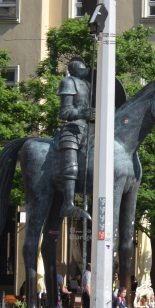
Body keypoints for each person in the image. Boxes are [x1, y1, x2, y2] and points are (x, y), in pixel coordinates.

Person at [55, 58, 93, 209]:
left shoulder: (88, 85)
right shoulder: (69, 82)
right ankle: (68, 203)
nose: (85, 70)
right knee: (70, 160)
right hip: (74, 126)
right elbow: (64, 112)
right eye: (81, 68)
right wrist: (83, 112)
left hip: (92, 126)